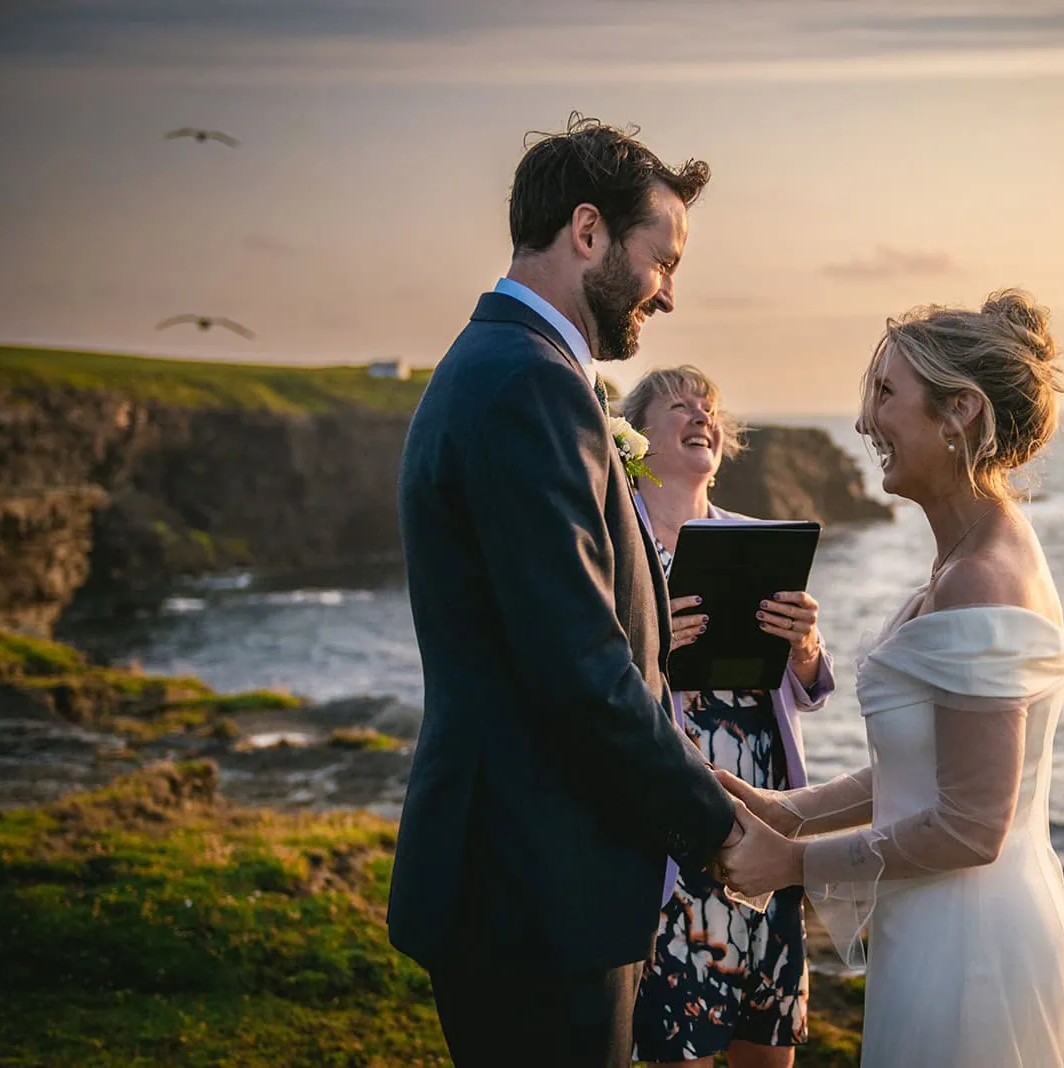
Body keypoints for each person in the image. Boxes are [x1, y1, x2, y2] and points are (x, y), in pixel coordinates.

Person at [387, 117, 757, 1068]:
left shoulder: (510, 365)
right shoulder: (529, 384)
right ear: (587, 232)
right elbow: (579, 664)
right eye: (660, 259)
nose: (668, 293)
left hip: (518, 869)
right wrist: (715, 825)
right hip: (532, 883)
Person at [714, 290, 1064, 1067]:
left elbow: (969, 827)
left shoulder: (983, 579)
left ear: (959, 411)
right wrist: (790, 812)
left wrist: (793, 864)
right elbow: (922, 765)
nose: (864, 422)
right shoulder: (961, 561)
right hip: (935, 925)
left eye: (886, 395)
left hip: (972, 954)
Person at [618, 366, 835, 1067]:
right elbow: (589, 685)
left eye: (709, 408)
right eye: (680, 405)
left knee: (767, 1051)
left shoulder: (757, 541)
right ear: (635, 436)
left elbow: (805, 688)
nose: (702, 415)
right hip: (675, 843)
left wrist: (804, 646)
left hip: (763, 833)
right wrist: (652, 649)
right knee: (680, 1051)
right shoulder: (616, 552)